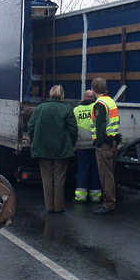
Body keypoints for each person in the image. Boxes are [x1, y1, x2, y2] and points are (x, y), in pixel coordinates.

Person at [27, 85, 77, 214]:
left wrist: (34, 141)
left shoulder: (40, 108)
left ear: (50, 94)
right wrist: (70, 144)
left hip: (43, 149)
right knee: (59, 178)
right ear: (62, 95)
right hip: (61, 149)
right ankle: (59, 207)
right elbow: (73, 129)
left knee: (47, 178)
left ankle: (49, 206)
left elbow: (31, 126)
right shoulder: (67, 109)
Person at [91, 77, 120, 215]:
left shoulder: (100, 104)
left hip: (104, 144)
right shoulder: (110, 101)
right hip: (112, 142)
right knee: (110, 173)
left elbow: (100, 126)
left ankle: (109, 203)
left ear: (93, 89)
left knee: (106, 175)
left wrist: (98, 144)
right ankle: (111, 200)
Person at [72, 89, 101, 204]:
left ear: (83, 98)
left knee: (83, 171)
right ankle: (95, 197)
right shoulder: (96, 108)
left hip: (81, 146)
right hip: (95, 146)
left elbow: (73, 128)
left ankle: (81, 197)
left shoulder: (76, 110)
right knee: (96, 171)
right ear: (93, 99)